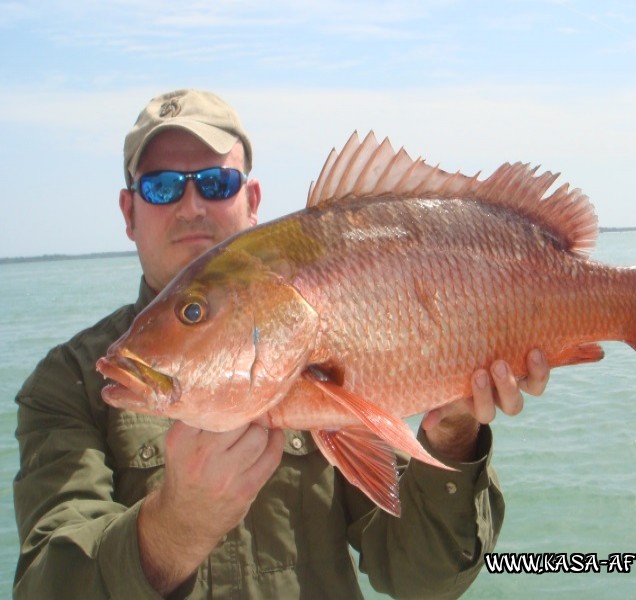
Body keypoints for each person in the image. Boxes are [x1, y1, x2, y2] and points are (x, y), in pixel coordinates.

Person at [13, 89, 551, 599]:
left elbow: (421, 580)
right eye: (161, 186)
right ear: (129, 213)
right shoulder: (69, 384)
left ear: (252, 201)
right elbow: (43, 585)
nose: (192, 204)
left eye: (217, 182)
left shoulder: (312, 353)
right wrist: (173, 529)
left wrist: (454, 437)